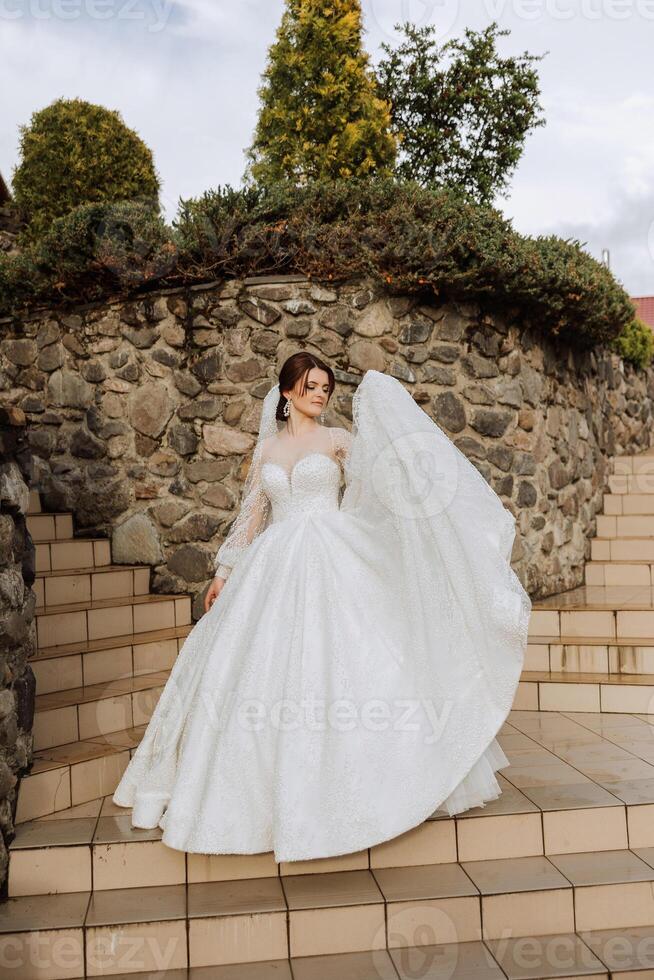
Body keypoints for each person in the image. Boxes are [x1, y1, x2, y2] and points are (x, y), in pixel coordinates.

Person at [112, 352, 532, 862]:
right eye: (311, 386)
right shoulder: (266, 450)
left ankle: (377, 785)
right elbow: (251, 516)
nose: (321, 394)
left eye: (326, 387)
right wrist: (223, 573)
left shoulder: (338, 443)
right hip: (273, 564)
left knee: (355, 662)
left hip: (334, 555)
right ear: (287, 392)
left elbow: (379, 490)